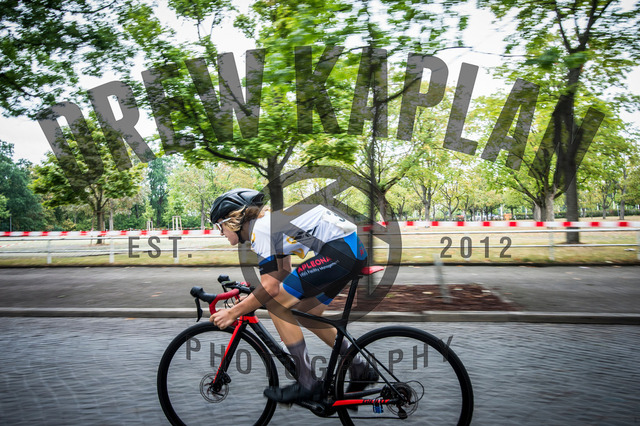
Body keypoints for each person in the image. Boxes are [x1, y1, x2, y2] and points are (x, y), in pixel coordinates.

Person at [209, 188, 378, 403]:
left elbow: (271, 289)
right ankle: (359, 367)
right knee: (306, 312)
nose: (220, 233)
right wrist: (252, 300)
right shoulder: (270, 224)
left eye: (220, 226)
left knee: (277, 307)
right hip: (351, 252)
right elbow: (282, 273)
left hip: (340, 253)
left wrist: (233, 312)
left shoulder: (260, 229)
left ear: (233, 220)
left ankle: (308, 382)